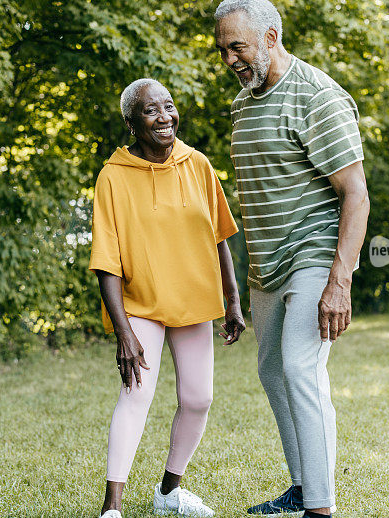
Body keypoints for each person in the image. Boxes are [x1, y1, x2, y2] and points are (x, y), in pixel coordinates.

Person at [214, 0, 370, 518]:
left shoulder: (317, 96)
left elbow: (356, 194)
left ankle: (320, 509)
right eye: (223, 50)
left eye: (238, 48)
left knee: (301, 369)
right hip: (267, 263)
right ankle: (304, 484)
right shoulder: (244, 102)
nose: (230, 60)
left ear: (270, 38)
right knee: (272, 371)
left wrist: (339, 281)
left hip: (314, 252)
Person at [90, 78, 246, 518]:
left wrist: (232, 301)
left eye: (169, 106)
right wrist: (123, 331)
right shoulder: (113, 177)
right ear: (131, 122)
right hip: (140, 303)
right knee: (135, 396)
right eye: (151, 110)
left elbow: (219, 237)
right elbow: (107, 260)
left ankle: (169, 491)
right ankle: (112, 507)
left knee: (199, 398)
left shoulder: (197, 164)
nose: (165, 117)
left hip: (194, 300)